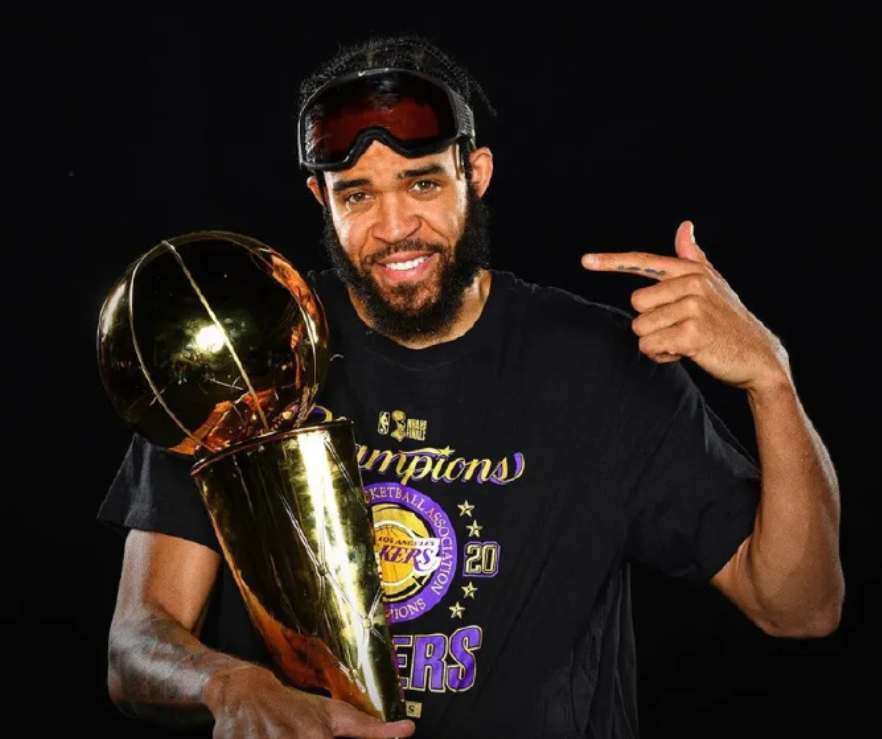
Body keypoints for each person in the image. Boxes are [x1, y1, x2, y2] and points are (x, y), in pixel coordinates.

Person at [96, 33, 844, 739]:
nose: (394, 226)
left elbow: (799, 608)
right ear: (322, 199)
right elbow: (136, 642)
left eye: (422, 182)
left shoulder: (603, 366)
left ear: (474, 173)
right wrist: (229, 686)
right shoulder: (249, 351)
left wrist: (770, 378)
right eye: (357, 195)